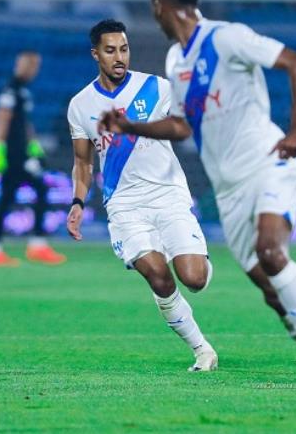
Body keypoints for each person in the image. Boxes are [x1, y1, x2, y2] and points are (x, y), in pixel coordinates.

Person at [99, 0, 296, 419]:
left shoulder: (227, 37)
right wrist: (130, 126)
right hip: (229, 190)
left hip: (268, 162)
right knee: (272, 292)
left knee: (273, 252)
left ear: (159, 5)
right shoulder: (176, 61)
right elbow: (180, 125)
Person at [67, 19, 217, 372]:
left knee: (193, 279)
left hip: (168, 195)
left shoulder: (156, 88)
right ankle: (202, 350)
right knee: (157, 275)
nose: (119, 57)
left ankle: (195, 259)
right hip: (124, 205)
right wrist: (77, 201)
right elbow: (82, 162)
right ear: (95, 54)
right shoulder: (80, 105)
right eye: (110, 50)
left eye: (123, 49)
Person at [0, 51, 66, 266]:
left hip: (22, 153)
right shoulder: (11, 90)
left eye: (35, 65)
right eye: (31, 65)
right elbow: (3, 119)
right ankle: (19, 247)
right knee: (27, 193)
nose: (33, 69)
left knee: (15, 195)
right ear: (21, 65)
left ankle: (1, 248)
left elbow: (23, 122)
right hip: (13, 155)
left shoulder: (22, 91)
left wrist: (33, 145)